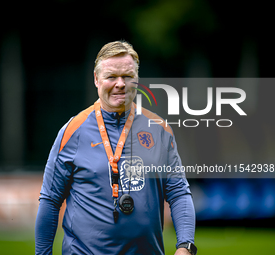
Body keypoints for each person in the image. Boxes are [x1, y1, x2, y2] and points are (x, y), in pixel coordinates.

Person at [35, 41, 196, 255]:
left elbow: (178, 193)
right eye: (111, 77)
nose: (120, 84)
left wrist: (185, 246)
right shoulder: (72, 131)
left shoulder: (159, 129)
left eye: (127, 76)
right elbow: (50, 200)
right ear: (96, 79)